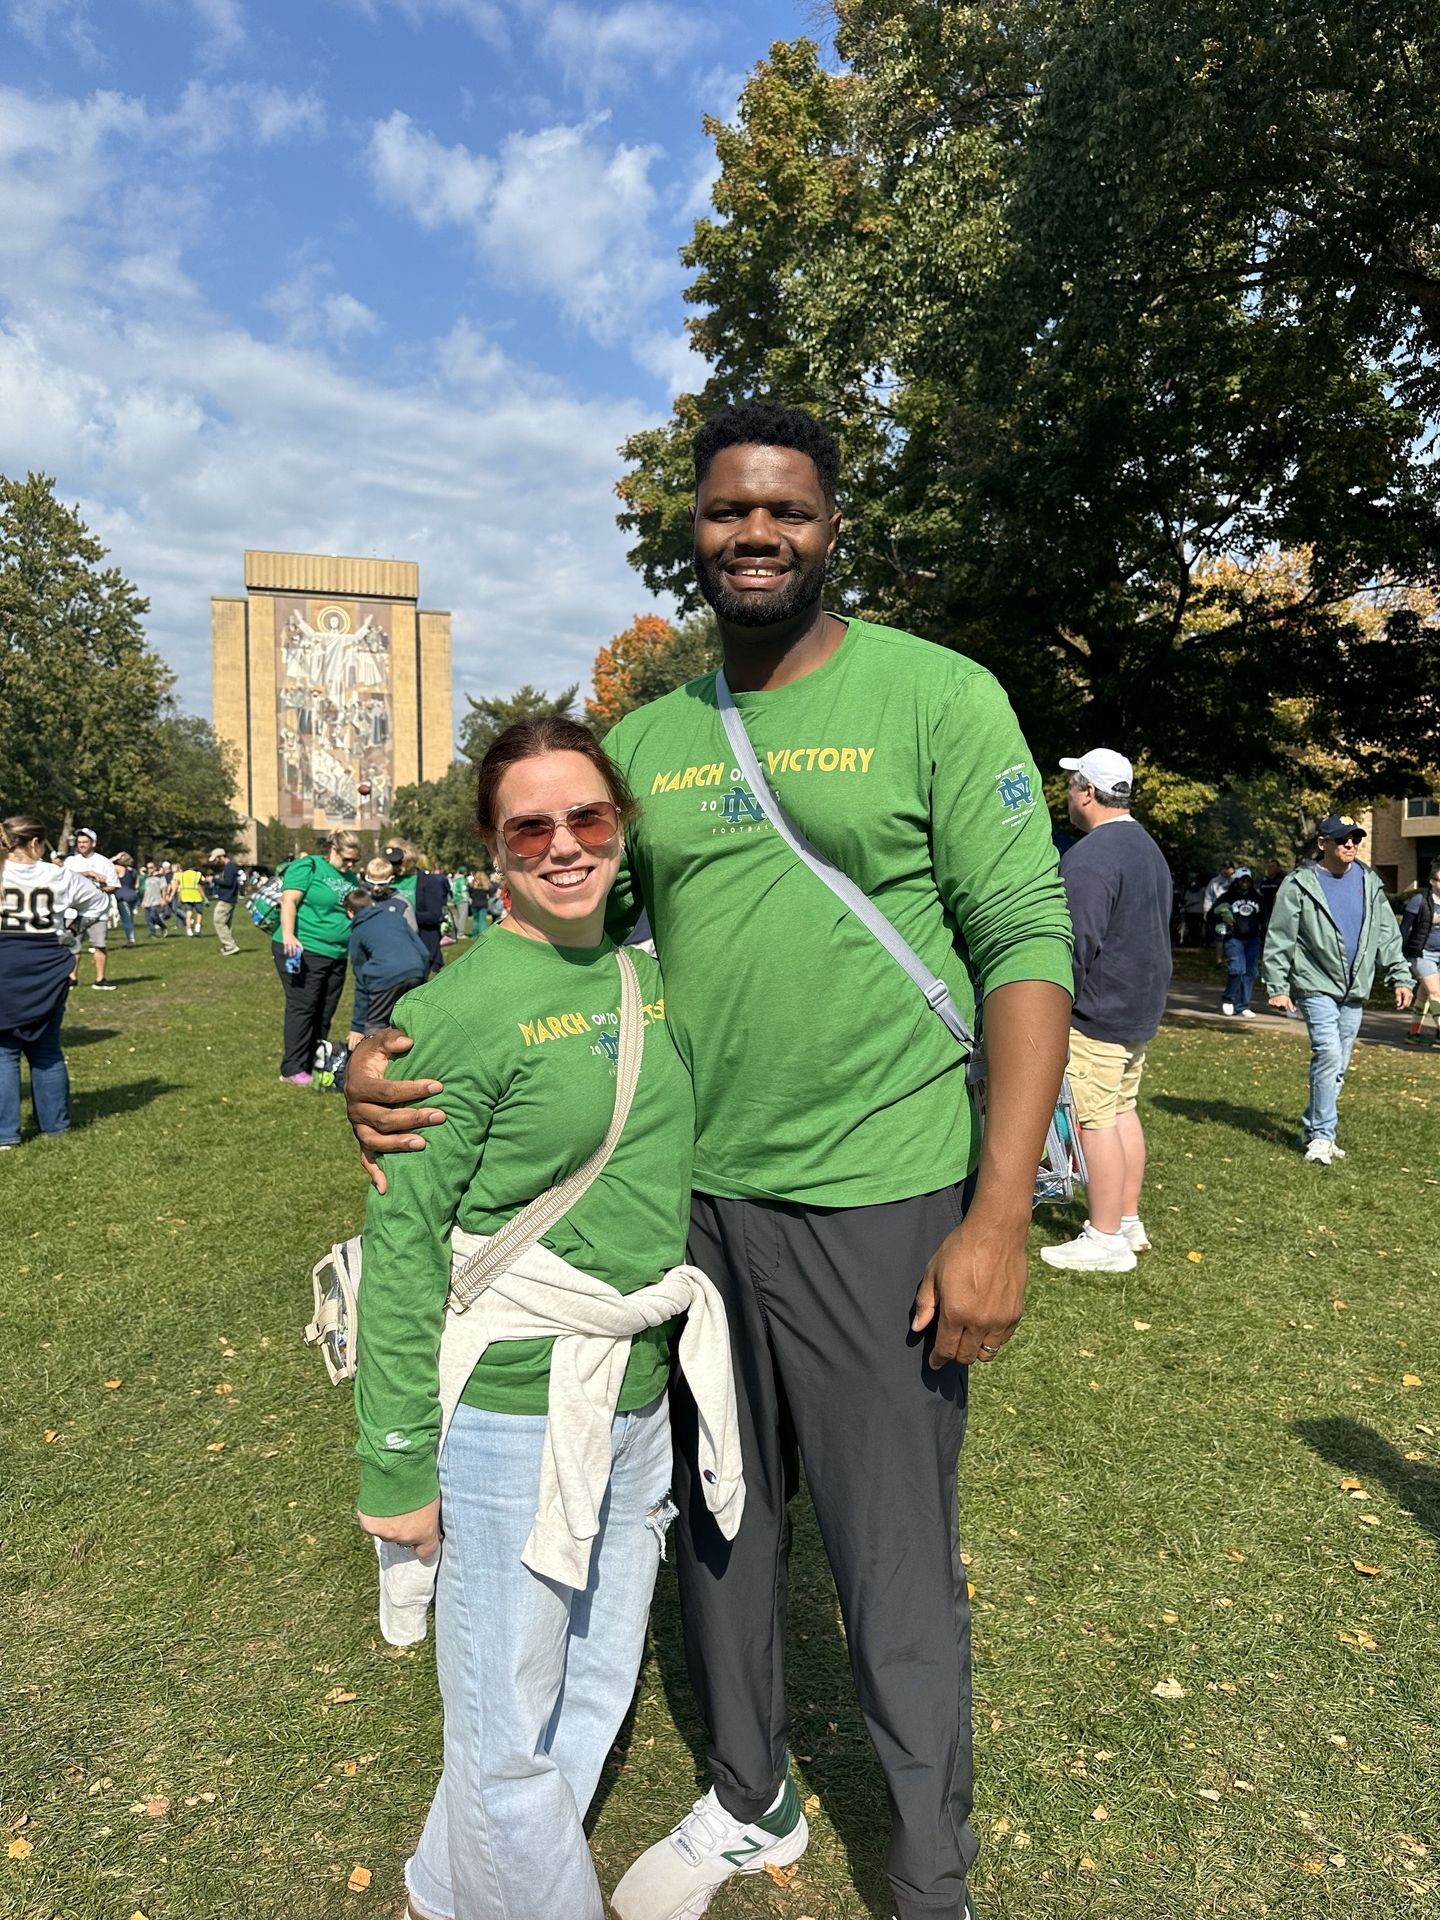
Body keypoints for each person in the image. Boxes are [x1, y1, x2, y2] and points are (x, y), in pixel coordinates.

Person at [348, 400, 1074, 1920]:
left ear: (830, 528)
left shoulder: (937, 697)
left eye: (788, 511)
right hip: (687, 1224)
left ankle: (929, 1874)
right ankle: (754, 1799)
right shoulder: (656, 742)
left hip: (883, 1198)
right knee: (722, 1526)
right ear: (694, 527)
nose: (757, 535)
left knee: (890, 1563)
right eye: (730, 511)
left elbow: (1023, 943)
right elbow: (563, 922)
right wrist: (393, 1044)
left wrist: (998, 1209)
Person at [355, 717, 730, 1920]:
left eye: (589, 819)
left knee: (592, 1682)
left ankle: (441, 1893)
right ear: (491, 846)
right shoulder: (455, 1011)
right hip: (509, 1415)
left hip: (631, 1401)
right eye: (532, 826)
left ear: (622, 827)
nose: (565, 846)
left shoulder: (652, 975)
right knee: (507, 1724)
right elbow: (404, 1244)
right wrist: (395, 1462)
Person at [1040, 749, 1173, 1273]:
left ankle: (1106, 1236)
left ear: (1087, 793)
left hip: (1099, 1010)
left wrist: (1051, 1003)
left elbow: (1075, 940)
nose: (1068, 796)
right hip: (1136, 1008)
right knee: (1119, 1111)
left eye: (1071, 786)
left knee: (1094, 1119)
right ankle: (1127, 1220)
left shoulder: (1093, 855)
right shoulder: (1146, 847)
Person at [1261, 814, 1412, 1164]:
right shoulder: (1300, 884)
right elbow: (1281, 937)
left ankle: (1316, 1128)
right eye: (1343, 839)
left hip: (1354, 989)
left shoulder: (1369, 881)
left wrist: (1401, 976)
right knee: (1328, 1054)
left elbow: (1388, 934)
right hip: (1315, 983)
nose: (1350, 845)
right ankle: (1322, 1135)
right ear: (1322, 844)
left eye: (1355, 838)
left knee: (1339, 1062)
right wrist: (1277, 985)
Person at [0, 816, 108, 1146]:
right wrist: (73, 931)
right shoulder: (59, 875)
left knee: (3, 1051)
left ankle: (5, 1134)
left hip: (4, 962)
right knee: (46, 1050)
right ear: (36, 843)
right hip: (46, 963)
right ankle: (55, 1129)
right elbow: (100, 903)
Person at [272, 830, 362, 1084]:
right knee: (304, 1006)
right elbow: (289, 900)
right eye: (346, 859)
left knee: (325, 1009)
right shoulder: (308, 866)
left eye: (355, 861)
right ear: (333, 848)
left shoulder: (350, 876)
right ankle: (292, 1068)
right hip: (304, 948)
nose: (350, 865)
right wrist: (289, 935)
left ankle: (313, 1061)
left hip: (336, 953)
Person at [343, 886, 431, 1049]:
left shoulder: (358, 931)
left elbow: (361, 980)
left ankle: (371, 1064)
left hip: (383, 979)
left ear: (350, 912)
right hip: (415, 971)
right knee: (409, 1023)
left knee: (375, 1026)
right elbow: (424, 953)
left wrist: (357, 1026)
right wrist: (420, 980)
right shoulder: (396, 918)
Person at [62, 827, 118, 989]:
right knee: (73, 945)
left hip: (98, 911)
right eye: (79, 842)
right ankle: (72, 977)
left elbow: (113, 886)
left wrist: (102, 887)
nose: (82, 845)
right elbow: (63, 878)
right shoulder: (71, 861)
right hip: (74, 911)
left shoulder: (104, 862)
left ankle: (100, 979)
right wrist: (87, 873)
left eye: (85, 842)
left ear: (93, 843)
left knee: (100, 944)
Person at [1213, 867, 1263, 1015]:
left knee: (1249, 972)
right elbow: (1212, 916)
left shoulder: (1257, 898)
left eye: (1247, 880)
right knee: (1237, 969)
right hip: (1233, 938)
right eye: (1242, 880)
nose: (1245, 883)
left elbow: (1265, 917)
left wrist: (1263, 932)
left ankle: (1243, 1005)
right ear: (1236, 881)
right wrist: (1222, 921)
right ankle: (1228, 999)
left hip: (1252, 938)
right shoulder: (1226, 897)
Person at [1401, 860, 1440, 1046]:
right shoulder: (1420, 900)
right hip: (1421, 953)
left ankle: (1413, 1033)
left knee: (1424, 995)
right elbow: (1404, 929)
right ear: (1432, 881)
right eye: (1439, 880)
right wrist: (1398, 957)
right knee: (1436, 992)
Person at [364, 855, 419, 930]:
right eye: (371, 883)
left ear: (391, 880)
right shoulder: (363, 900)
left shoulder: (402, 904)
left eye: (381, 884)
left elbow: (412, 932)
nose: (375, 888)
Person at [209, 848, 242, 955]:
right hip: (231, 898)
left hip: (226, 899)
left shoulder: (229, 867)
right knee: (226, 923)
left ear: (221, 856)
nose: (215, 862)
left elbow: (228, 883)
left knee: (218, 921)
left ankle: (230, 945)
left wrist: (213, 879)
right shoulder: (231, 866)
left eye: (216, 859)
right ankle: (228, 947)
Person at [1201, 858, 1237, 939]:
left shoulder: (1237, 880)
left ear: (1233, 869)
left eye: (1228, 868)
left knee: (1233, 934)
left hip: (1233, 911)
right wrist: (1206, 911)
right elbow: (1208, 897)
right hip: (1218, 910)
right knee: (1219, 936)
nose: (1226, 870)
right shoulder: (1214, 881)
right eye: (1224, 868)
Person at [112, 854, 139, 948]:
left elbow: (105, 864)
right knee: (130, 918)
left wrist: (115, 857)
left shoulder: (118, 868)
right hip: (133, 895)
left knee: (126, 919)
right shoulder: (134, 871)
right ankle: (130, 938)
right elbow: (136, 885)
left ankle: (130, 939)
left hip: (122, 896)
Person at [176, 858, 206, 936]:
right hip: (196, 895)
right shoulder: (197, 874)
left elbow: (179, 886)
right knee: (199, 912)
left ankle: (189, 930)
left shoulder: (182, 875)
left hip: (185, 896)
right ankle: (197, 928)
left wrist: (179, 897)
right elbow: (199, 886)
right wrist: (204, 897)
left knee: (188, 913)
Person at [1257, 856, 1286, 937]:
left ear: (1278, 868)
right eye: (1269, 867)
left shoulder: (1282, 881)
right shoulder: (1263, 881)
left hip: (1277, 912)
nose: (1270, 869)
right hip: (1264, 912)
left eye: (1272, 867)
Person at [140, 861, 169, 938]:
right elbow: (146, 891)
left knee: (154, 916)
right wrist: (143, 901)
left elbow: (164, 889)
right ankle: (152, 933)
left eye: (151, 867)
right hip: (148, 901)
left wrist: (163, 899)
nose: (149, 869)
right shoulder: (147, 878)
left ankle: (163, 927)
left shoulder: (160, 877)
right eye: (148, 868)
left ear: (155, 868)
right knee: (148, 918)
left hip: (156, 900)